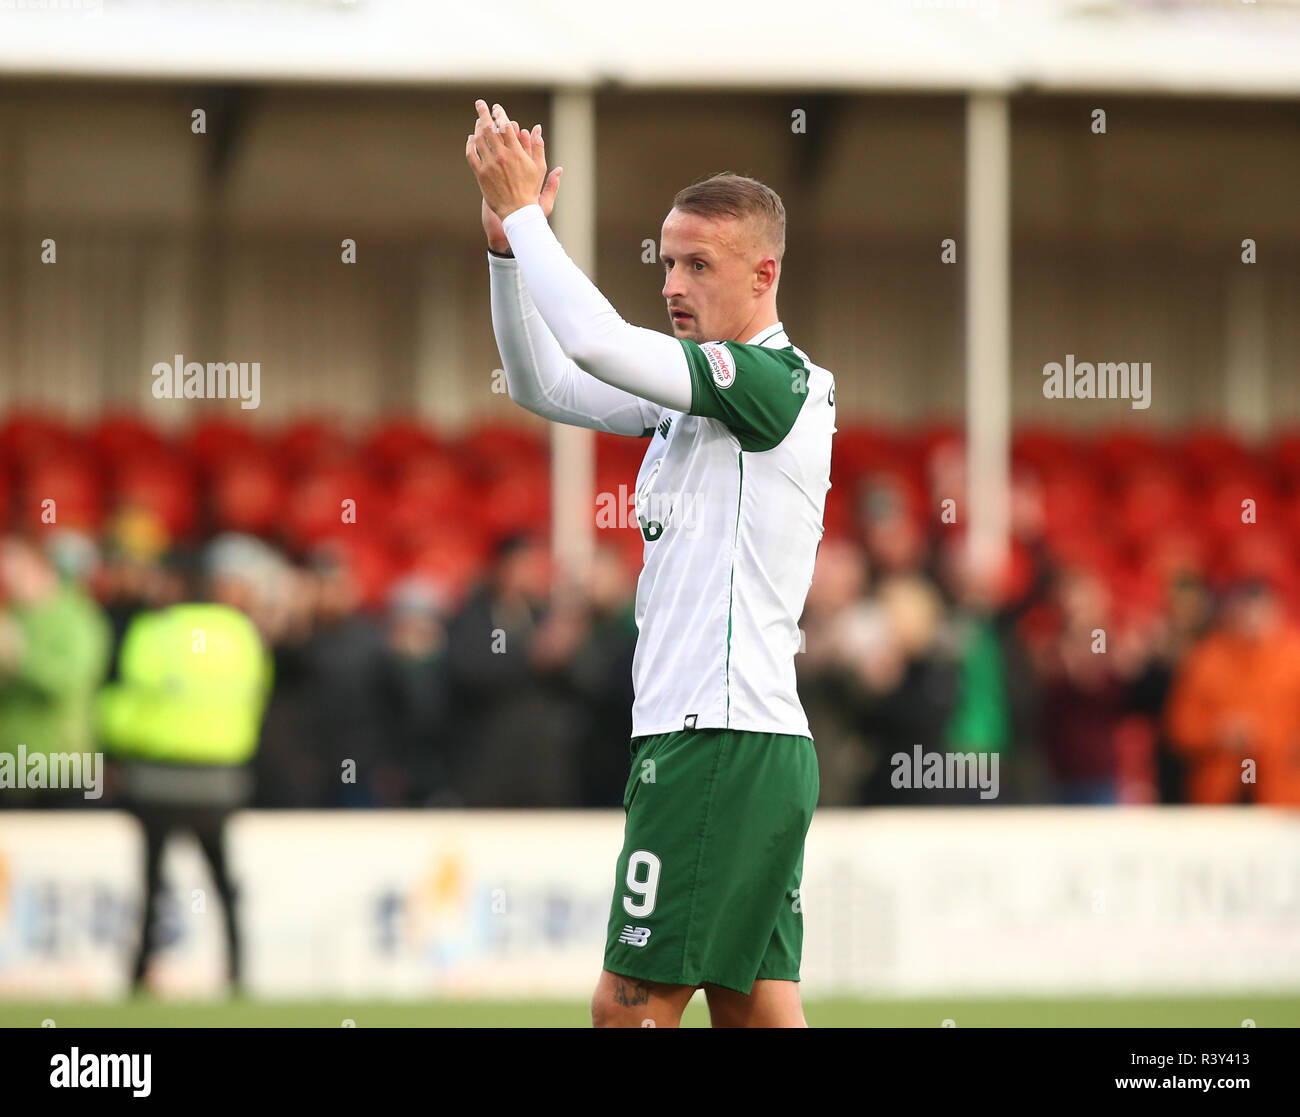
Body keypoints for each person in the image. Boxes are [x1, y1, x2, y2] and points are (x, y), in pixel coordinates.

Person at [467, 100, 835, 1027]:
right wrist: (510, 256)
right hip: (724, 737)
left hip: (718, 738)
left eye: (698, 264)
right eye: (667, 260)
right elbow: (542, 380)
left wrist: (525, 217)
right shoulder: (696, 396)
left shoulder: (770, 384)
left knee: (625, 1007)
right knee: (754, 1010)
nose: (673, 282)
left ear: (764, 274)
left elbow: (592, 340)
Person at [97, 535, 274, 993]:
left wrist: (116, 744)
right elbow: (254, 701)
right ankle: (238, 972)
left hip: (157, 778)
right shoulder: (239, 634)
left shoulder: (152, 633)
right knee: (222, 880)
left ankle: (141, 973)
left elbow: (123, 707)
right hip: (220, 780)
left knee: (152, 883)